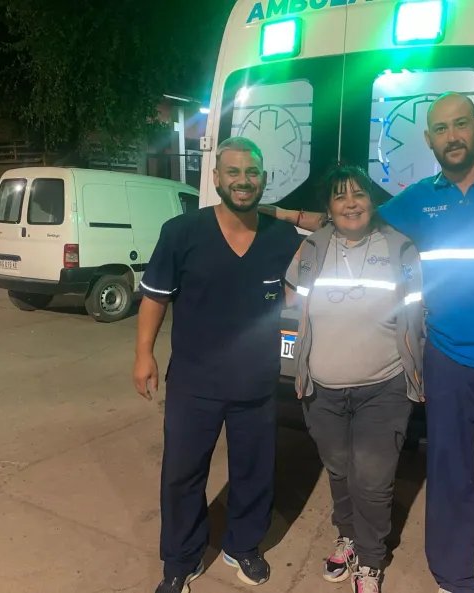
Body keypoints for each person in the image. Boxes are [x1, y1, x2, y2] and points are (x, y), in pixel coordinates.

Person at [262, 92, 474, 593]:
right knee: (451, 479)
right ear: (429, 139)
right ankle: (454, 580)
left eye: (460, 124)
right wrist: (281, 216)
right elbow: (352, 217)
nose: (452, 136)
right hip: (447, 360)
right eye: (441, 129)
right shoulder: (418, 199)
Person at [133, 137, 303, 593]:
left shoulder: (282, 239)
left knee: (254, 471)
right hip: (194, 382)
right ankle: (181, 559)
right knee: (182, 474)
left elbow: (297, 297)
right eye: (233, 172)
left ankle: (242, 546)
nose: (243, 181)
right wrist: (144, 354)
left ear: (264, 179)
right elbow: (155, 298)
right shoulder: (181, 232)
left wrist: (298, 356)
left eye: (252, 172)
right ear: (216, 178)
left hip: (257, 382)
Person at [283, 164, 424, 593]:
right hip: (323, 391)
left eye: (359, 194)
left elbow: (417, 316)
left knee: (374, 479)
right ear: (328, 207)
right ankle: (347, 536)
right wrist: (296, 366)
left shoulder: (400, 248)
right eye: (340, 196)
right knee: (340, 470)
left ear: (372, 201)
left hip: (383, 388)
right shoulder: (311, 249)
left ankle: (370, 559)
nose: (350, 203)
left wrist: (417, 371)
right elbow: (291, 309)